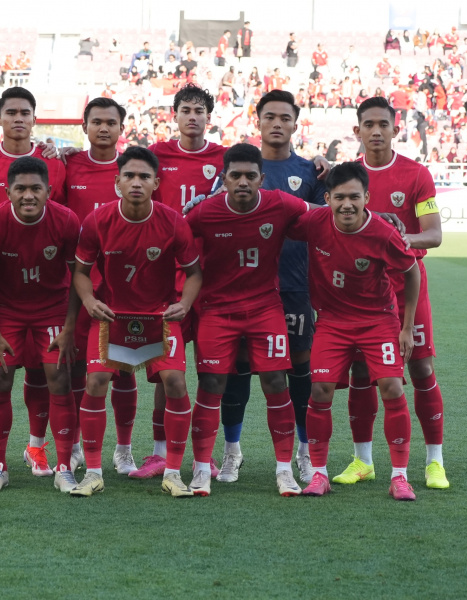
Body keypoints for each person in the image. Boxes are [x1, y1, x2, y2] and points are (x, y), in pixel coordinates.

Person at [208, 90, 328, 485]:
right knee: (237, 368)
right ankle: (232, 451)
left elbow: (323, 221)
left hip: (294, 285)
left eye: (285, 118)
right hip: (242, 289)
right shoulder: (237, 165)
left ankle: (304, 453)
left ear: (296, 124)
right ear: (257, 121)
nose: (277, 123)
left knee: (297, 369)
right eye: (269, 116)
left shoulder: (312, 171)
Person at [186, 143, 317, 497]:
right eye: (235, 176)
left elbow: (321, 213)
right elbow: (175, 241)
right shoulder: (205, 213)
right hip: (217, 310)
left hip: (265, 309)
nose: (243, 182)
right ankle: (201, 468)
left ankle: (285, 469)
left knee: (276, 382)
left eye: (250, 176)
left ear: (261, 178)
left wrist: (374, 214)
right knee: (211, 385)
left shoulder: (278, 202)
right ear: (223, 179)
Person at [71, 146, 202, 498]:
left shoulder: (173, 221)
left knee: (175, 382)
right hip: (113, 314)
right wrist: (89, 299)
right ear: (117, 182)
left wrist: (185, 303)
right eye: (129, 175)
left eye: (144, 177)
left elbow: (194, 273)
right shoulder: (97, 221)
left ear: (156, 183)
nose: (136, 182)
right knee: (96, 381)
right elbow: (80, 273)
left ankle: (173, 472)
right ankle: (94, 472)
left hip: (159, 316)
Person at [288, 161, 421, 501]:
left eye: (354, 197)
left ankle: (400, 477)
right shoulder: (314, 222)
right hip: (332, 321)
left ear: (367, 198)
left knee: (391, 388)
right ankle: (318, 474)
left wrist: (407, 328)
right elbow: (279, 218)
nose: (347, 204)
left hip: (378, 320)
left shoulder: (382, 232)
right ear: (328, 198)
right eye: (339, 197)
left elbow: (411, 272)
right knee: (320, 391)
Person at [342, 96, 448, 490]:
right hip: (361, 293)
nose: (375, 131)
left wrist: (397, 237)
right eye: (367, 124)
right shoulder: (346, 175)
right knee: (361, 372)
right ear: (357, 131)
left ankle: (434, 461)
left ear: (394, 128)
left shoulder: (416, 174)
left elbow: (434, 234)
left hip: (407, 287)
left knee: (420, 369)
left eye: (382, 124)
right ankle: (362, 460)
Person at [0, 86, 67, 478]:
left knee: (42, 370)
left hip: (43, 287)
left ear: (35, 119)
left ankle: (36, 448)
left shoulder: (53, 163)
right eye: (11, 112)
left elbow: (64, 219)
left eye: (26, 112)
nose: (18, 119)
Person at [125, 84, 225, 480]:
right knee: (169, 371)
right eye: (186, 109)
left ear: (209, 116)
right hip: (169, 278)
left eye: (200, 110)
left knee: (211, 371)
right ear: (175, 114)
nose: (193, 116)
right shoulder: (156, 157)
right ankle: (159, 453)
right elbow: (117, 170)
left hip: (215, 277)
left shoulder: (223, 159)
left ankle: (204, 455)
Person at [0, 157, 81, 492]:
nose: (28, 195)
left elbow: (79, 275)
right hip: (9, 311)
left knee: (58, 377)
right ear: (8, 191)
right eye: (20, 189)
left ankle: (64, 467)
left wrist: (68, 328)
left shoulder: (66, 221)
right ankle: (0, 467)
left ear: (49, 191)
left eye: (36, 188)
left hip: (52, 308)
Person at [63, 97, 138, 474]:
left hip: (124, 287)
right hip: (78, 285)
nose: (104, 128)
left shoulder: (134, 168)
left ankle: (123, 450)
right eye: (97, 121)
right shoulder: (67, 163)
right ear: (85, 127)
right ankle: (76, 445)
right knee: (79, 368)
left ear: (122, 128)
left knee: (123, 369)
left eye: (111, 122)